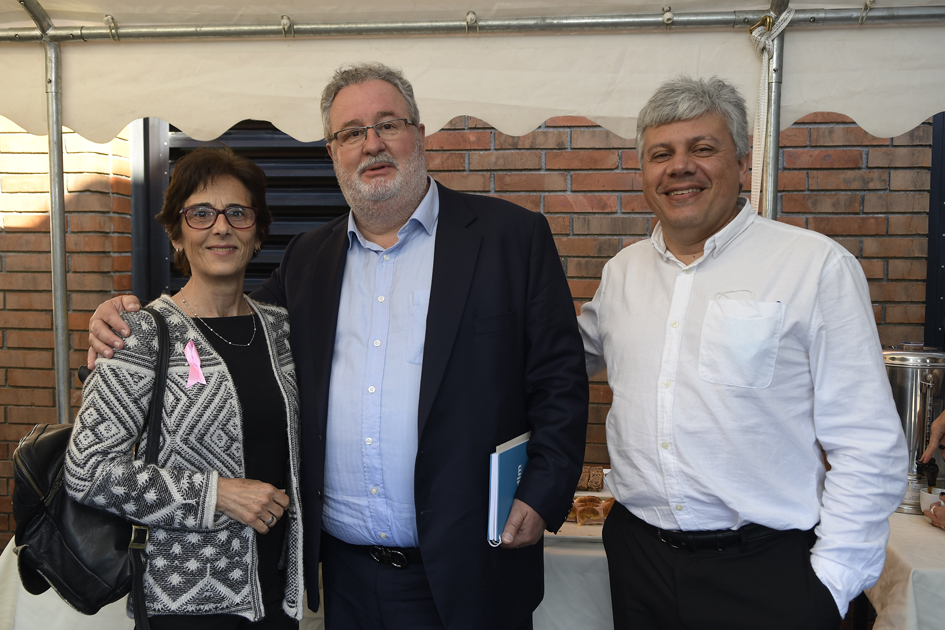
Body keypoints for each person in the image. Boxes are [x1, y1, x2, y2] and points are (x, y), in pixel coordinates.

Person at [86, 62, 589, 630]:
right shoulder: (308, 259)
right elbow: (214, 312)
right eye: (351, 133)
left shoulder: (510, 239)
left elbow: (560, 381)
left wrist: (544, 492)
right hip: (347, 581)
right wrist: (123, 314)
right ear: (333, 153)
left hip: (475, 569)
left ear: (419, 134)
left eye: (388, 125)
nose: (371, 144)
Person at [577, 76, 908, 629]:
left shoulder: (814, 266)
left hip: (768, 571)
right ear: (644, 172)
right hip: (639, 564)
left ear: (741, 159)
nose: (680, 167)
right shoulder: (623, 271)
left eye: (702, 148)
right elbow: (563, 358)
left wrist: (832, 583)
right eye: (662, 153)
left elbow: (868, 442)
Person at [67, 145, 304, 628]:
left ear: (257, 232)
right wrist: (215, 495)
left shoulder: (284, 330)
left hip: (280, 595)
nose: (221, 227)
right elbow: (86, 469)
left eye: (237, 213)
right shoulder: (142, 334)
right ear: (176, 234)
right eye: (201, 214)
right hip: (185, 602)